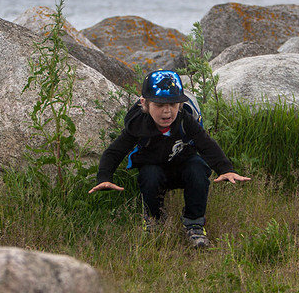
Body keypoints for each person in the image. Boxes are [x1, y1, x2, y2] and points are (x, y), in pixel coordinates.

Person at [89, 70, 250, 248]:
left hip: (183, 166)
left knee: (198, 168)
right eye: (159, 105)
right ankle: (154, 219)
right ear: (144, 103)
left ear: (180, 104)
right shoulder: (138, 124)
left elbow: (206, 144)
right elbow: (114, 152)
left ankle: (194, 224)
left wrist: (225, 169)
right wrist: (104, 177)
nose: (167, 111)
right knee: (149, 175)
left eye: (173, 104)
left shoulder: (184, 120)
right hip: (154, 168)